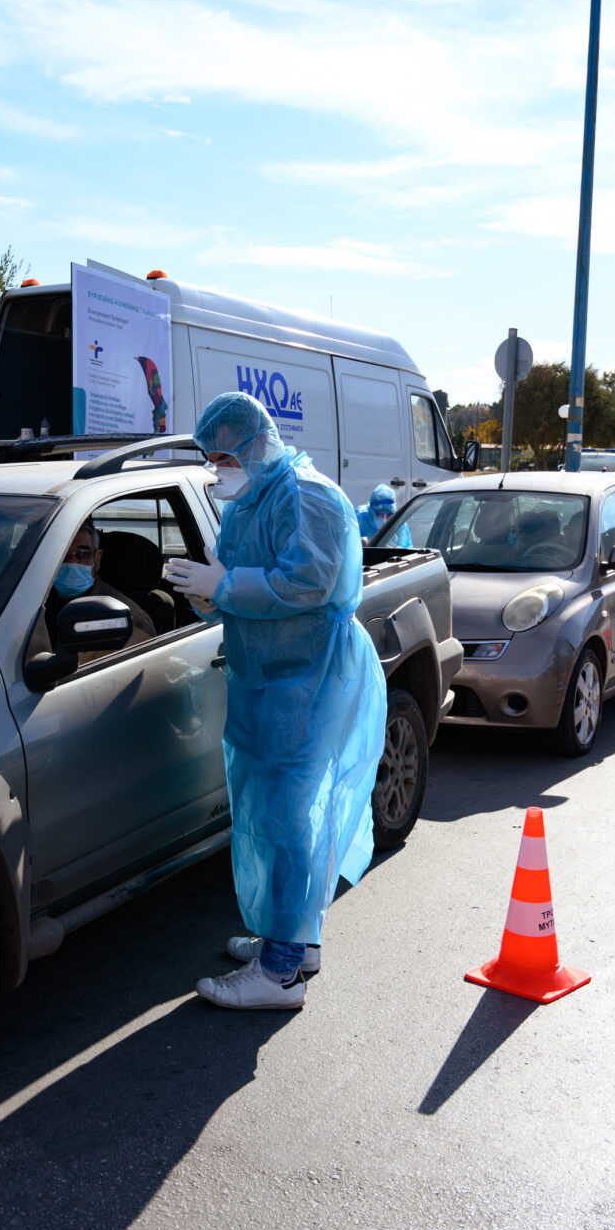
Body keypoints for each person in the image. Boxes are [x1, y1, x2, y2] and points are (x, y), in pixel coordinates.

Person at [164, 391, 388, 1010]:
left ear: (254, 446)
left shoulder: (307, 496)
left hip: (307, 677)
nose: (218, 469)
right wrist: (210, 594)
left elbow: (307, 584)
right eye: (210, 457)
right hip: (266, 676)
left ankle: (281, 972)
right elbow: (237, 576)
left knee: (290, 816)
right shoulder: (247, 505)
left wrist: (226, 584)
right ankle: (295, 937)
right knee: (269, 811)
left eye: (224, 456)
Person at [28, 524, 158, 657]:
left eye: (83, 554)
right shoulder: (27, 601)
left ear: (98, 559)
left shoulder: (127, 621)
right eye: (62, 555)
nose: (72, 562)